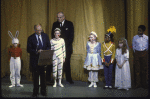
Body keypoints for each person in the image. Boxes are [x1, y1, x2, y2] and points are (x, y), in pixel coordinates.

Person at [27, 24, 51, 97]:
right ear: (35, 30)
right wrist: (36, 51)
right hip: (35, 60)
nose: (40, 31)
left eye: (41, 30)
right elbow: (28, 49)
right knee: (35, 77)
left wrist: (44, 51)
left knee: (43, 76)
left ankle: (43, 91)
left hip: (43, 59)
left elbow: (49, 46)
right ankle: (35, 92)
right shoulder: (30, 38)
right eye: (38, 30)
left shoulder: (45, 36)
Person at [51, 12, 74, 84]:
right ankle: (56, 79)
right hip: (57, 48)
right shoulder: (55, 24)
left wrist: (63, 46)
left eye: (60, 17)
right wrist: (58, 45)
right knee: (56, 64)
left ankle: (68, 78)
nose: (58, 19)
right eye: (57, 17)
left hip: (67, 47)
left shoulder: (69, 24)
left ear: (64, 17)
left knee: (66, 63)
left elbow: (71, 37)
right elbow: (53, 35)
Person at [132, 25, 148, 89]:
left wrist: (144, 52)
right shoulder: (135, 37)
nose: (139, 31)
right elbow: (133, 46)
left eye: (140, 30)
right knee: (137, 69)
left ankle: (144, 84)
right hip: (137, 53)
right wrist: (136, 52)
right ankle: (137, 84)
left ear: (143, 31)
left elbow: (147, 46)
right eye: (138, 30)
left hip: (144, 53)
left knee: (144, 69)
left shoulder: (147, 37)